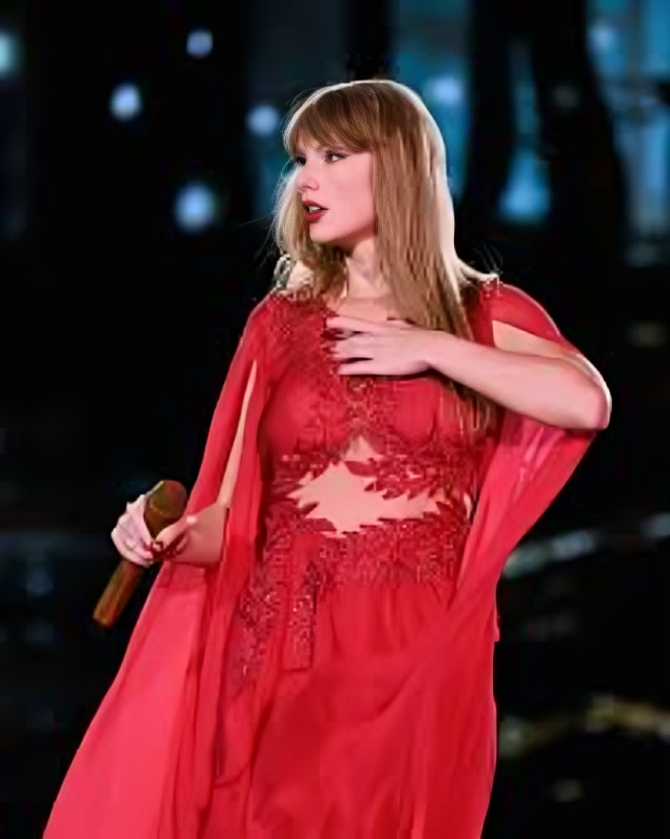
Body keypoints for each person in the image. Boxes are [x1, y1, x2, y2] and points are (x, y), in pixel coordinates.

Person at [43, 79, 611, 839]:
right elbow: (230, 515)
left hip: (411, 647)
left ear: (398, 164)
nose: (305, 180)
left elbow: (587, 402)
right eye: (301, 160)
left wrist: (430, 347)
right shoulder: (280, 324)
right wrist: (165, 536)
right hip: (280, 644)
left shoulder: (478, 313)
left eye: (333, 156)